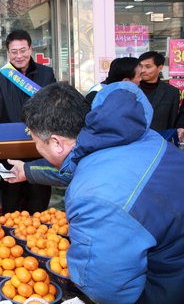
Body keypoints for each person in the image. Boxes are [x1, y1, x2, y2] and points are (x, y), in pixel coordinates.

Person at [13, 81, 184, 303]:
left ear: (56, 142)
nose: (36, 147)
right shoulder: (139, 136)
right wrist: (28, 170)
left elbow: (107, 288)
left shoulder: (92, 196)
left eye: (34, 140)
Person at [0, 29, 56, 214]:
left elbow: (54, 106)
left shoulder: (46, 74)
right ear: (8, 52)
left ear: (31, 49)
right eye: (14, 51)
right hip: (11, 147)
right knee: (11, 203)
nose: (19, 56)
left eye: (23, 50)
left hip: (40, 147)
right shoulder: (0, 76)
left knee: (38, 202)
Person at [138, 51, 183, 136]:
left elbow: (172, 122)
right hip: (133, 143)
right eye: (140, 66)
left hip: (160, 141)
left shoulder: (171, 92)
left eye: (148, 67)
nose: (143, 70)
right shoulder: (130, 89)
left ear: (160, 67)